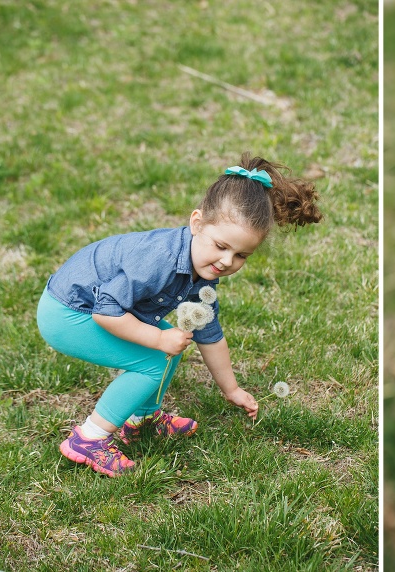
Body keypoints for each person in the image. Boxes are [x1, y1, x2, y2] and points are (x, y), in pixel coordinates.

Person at [37, 153, 322, 477]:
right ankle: (89, 438)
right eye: (220, 245)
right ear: (197, 223)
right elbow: (106, 312)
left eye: (241, 255)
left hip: (99, 307)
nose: (227, 261)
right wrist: (157, 337)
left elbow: (208, 332)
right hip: (68, 312)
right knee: (155, 358)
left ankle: (142, 418)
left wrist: (231, 389)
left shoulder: (203, 271)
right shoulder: (158, 259)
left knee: (171, 348)